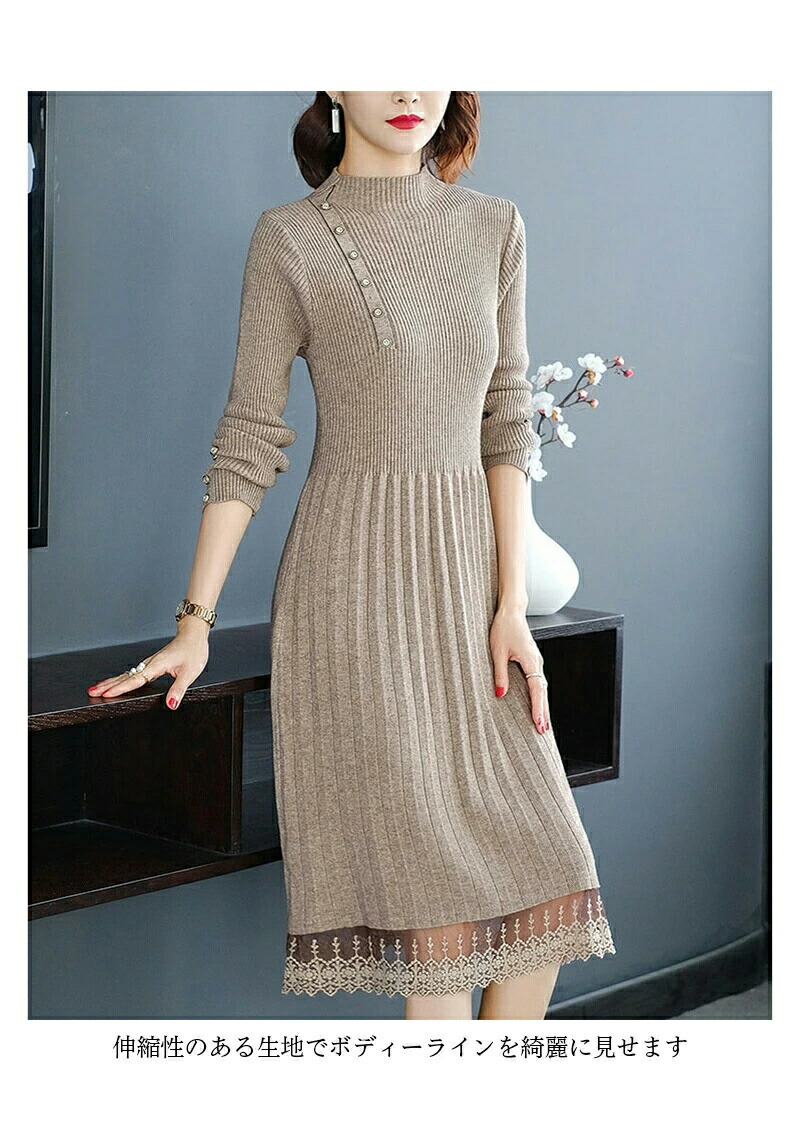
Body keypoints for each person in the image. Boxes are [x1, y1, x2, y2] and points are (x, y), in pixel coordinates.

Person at [88, 91, 616, 1020]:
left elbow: (506, 419)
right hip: (354, 599)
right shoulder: (291, 240)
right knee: (439, 942)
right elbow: (249, 436)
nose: (409, 89)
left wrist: (508, 605)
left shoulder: (495, 226)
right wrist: (194, 622)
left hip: (467, 598)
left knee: (550, 885)